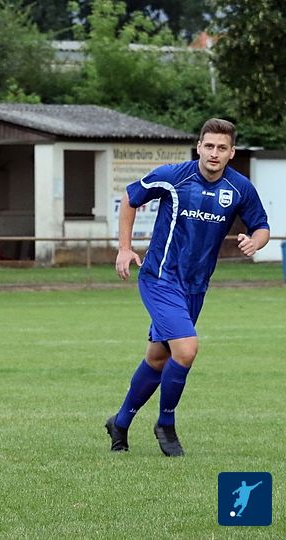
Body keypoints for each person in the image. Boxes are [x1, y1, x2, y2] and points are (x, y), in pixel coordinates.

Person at [105, 118, 269, 457]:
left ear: (231, 153)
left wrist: (256, 242)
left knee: (158, 358)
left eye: (221, 148)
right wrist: (124, 248)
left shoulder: (240, 188)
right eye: (209, 146)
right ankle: (165, 423)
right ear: (198, 147)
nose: (214, 153)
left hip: (195, 287)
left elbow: (262, 226)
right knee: (186, 350)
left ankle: (120, 422)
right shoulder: (174, 176)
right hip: (159, 278)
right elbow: (130, 197)